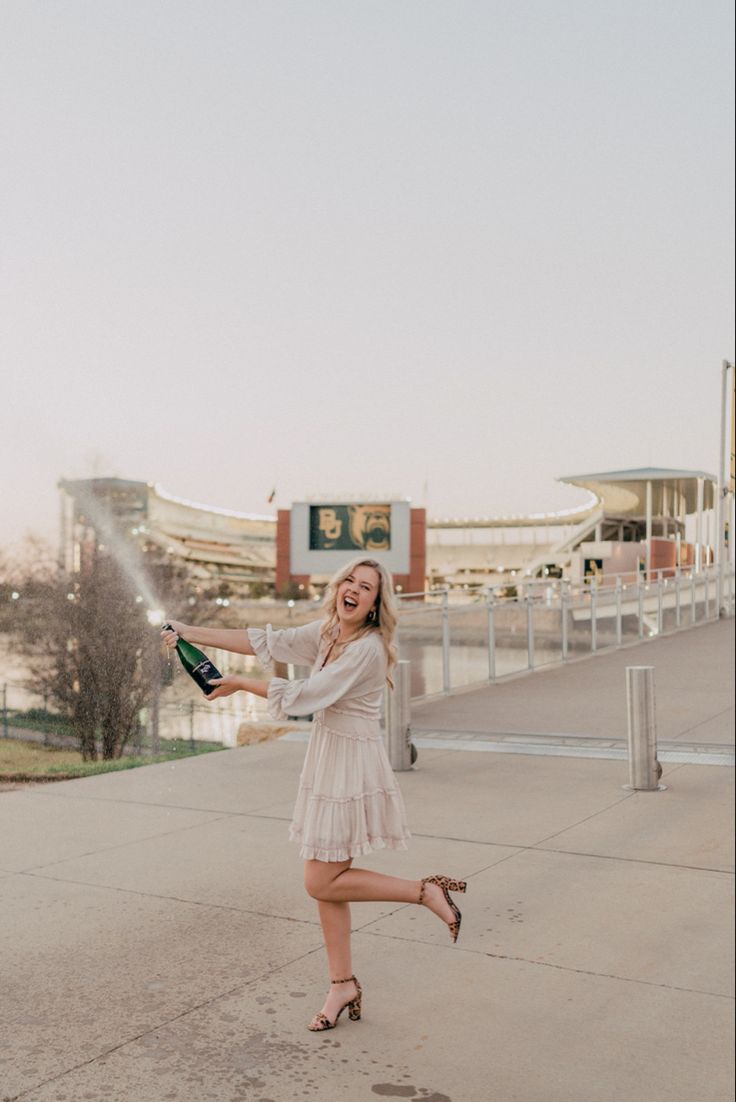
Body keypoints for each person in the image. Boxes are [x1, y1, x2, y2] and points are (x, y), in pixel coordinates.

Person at [162, 556, 467, 1032]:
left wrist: (240, 683)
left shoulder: (366, 648)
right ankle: (341, 984)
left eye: (365, 587)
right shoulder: (328, 632)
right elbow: (265, 640)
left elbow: (310, 695)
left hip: (351, 764)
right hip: (330, 757)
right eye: (350, 579)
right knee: (329, 880)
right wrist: (188, 631)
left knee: (319, 880)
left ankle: (424, 891)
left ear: (374, 606)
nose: (353, 589)